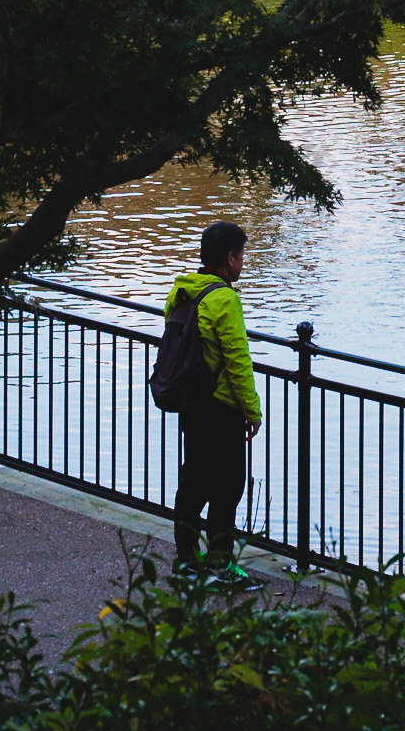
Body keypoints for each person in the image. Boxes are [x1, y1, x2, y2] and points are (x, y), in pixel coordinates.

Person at [169, 219, 263, 579]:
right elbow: (238, 362)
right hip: (221, 407)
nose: (242, 263)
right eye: (241, 256)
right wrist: (252, 411)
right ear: (229, 258)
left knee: (193, 481)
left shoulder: (183, 290)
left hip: (191, 402)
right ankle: (220, 563)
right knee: (229, 485)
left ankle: (187, 561)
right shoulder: (224, 299)